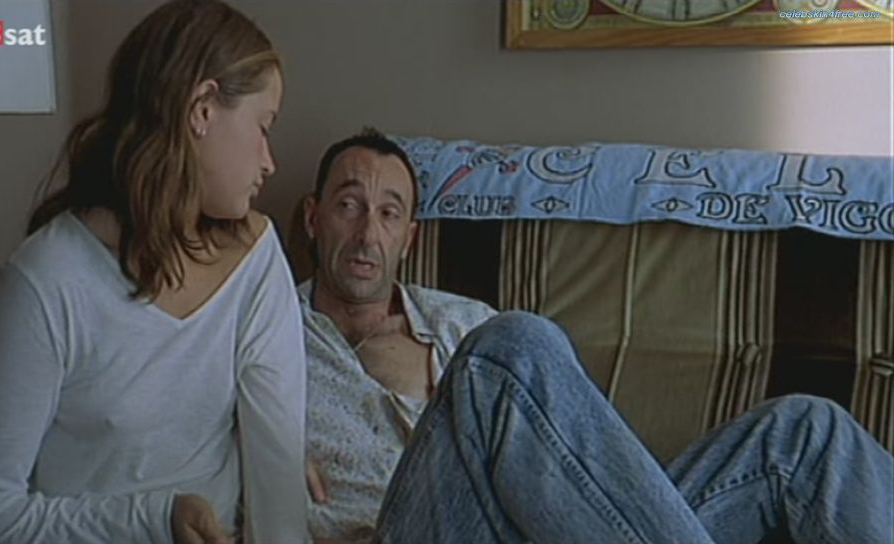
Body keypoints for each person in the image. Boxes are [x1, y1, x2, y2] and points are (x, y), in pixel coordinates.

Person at [299, 129, 894, 543]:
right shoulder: (266, 337)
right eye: (349, 205)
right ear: (312, 217)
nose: (367, 233)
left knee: (805, 432)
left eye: (389, 213)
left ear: (410, 238)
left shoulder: (462, 321)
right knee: (508, 347)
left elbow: (573, 469)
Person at [0, 2, 307, 543]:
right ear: (203, 108)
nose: (268, 161)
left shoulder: (256, 259)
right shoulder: (46, 282)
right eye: (263, 126)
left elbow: (278, 484)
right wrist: (154, 520)